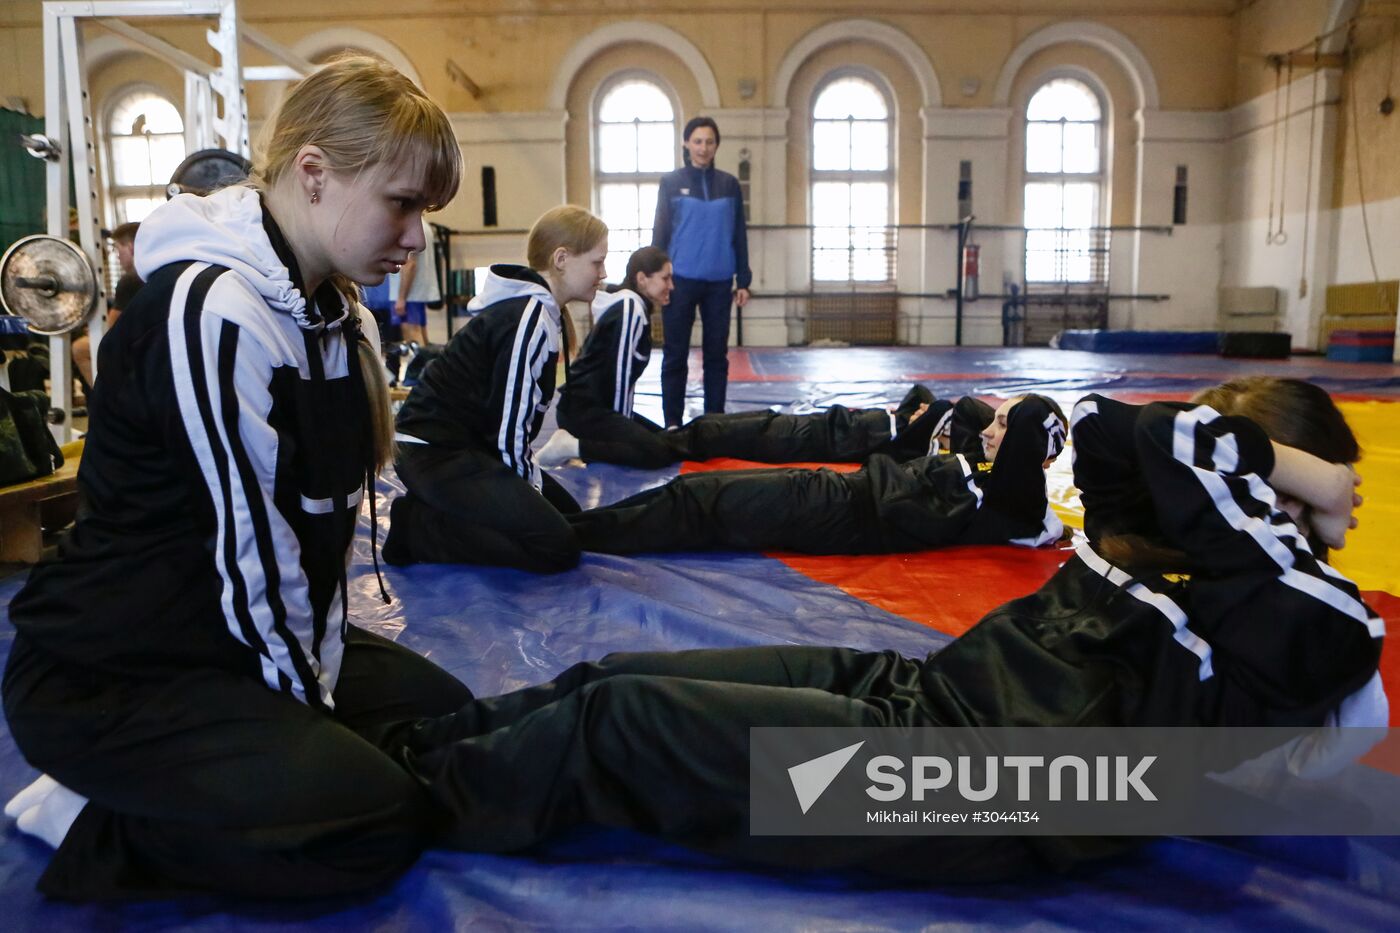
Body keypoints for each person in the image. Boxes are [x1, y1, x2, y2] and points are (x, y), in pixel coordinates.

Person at [394, 377, 1382, 880]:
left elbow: (1176, 442)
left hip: (967, 791)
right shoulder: (1160, 547)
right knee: (612, 670)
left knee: (618, 726)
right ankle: (408, 741)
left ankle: (375, 805)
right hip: (928, 696)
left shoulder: (1320, 624)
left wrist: (1318, 489)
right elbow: (1100, 425)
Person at [1, 55, 474, 901]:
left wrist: (318, 696)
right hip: (115, 673)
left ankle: (251, 778)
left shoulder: (334, 311)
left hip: (217, 643)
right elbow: (255, 559)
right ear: (315, 174)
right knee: (376, 822)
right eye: (403, 205)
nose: (414, 240)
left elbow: (316, 542)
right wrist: (311, 724)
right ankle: (86, 819)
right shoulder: (213, 310)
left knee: (440, 715)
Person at [541, 245, 946, 469]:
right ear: (643, 278)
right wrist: (605, 437)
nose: (672, 286)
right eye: (665, 278)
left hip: (590, 410)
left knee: (662, 440)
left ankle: (583, 443)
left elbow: (613, 382)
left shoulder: (629, 306)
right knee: (657, 451)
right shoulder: (630, 307)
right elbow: (614, 385)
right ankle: (573, 446)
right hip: (588, 413)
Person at [381, 205, 607, 573]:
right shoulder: (529, 316)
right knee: (556, 546)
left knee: (570, 519)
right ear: (562, 259)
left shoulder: (540, 313)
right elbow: (508, 428)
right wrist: (527, 499)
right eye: (597, 263)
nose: (603, 274)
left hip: (467, 450)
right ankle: (418, 528)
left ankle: (439, 511)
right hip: (433, 453)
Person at [566, 394, 1069, 556]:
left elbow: (1030, 471)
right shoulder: (984, 463)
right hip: (839, 490)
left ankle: (566, 536)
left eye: (1003, 426)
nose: (988, 431)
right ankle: (570, 527)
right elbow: (959, 412)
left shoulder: (1016, 501)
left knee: (699, 501)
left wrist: (1034, 424)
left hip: (844, 512)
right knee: (694, 493)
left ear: (1028, 448)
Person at [651, 116, 751, 428]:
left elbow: (738, 234)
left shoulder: (729, 184)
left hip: (720, 283)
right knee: (675, 354)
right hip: (679, 282)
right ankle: (671, 423)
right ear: (686, 143)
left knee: (716, 357)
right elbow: (661, 232)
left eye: (709, 142)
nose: (703, 148)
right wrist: (658, 278)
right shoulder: (670, 183)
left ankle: (715, 423)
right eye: (697, 141)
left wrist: (743, 279)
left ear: (716, 145)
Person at [72, 221, 142, 388]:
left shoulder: (131, 279)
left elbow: (109, 327)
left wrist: (94, 328)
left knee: (79, 348)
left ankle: (107, 401)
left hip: (138, 344)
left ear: (131, 247)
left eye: (118, 249)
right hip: (149, 338)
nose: (117, 256)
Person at [389, 216, 439, 346]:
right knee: (420, 333)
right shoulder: (424, 225)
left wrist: (401, 298)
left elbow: (410, 264)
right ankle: (425, 365)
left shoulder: (410, 227)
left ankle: (420, 366)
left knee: (412, 335)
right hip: (415, 292)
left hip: (409, 293)